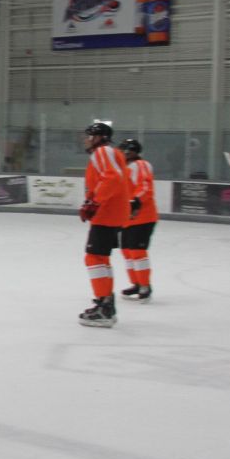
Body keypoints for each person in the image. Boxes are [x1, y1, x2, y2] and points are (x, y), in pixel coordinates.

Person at [78, 119, 131, 327]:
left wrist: (94, 202)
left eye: (90, 136)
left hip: (107, 213)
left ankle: (104, 308)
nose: (86, 140)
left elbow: (112, 178)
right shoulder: (110, 153)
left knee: (93, 257)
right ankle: (106, 303)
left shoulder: (103, 152)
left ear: (100, 138)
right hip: (112, 213)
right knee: (100, 258)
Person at [119, 138, 158, 302]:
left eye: (125, 151)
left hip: (143, 217)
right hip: (127, 218)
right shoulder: (124, 168)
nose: (122, 153)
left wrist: (135, 200)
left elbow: (146, 188)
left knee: (137, 251)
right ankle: (136, 283)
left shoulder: (140, 165)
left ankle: (145, 285)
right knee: (127, 251)